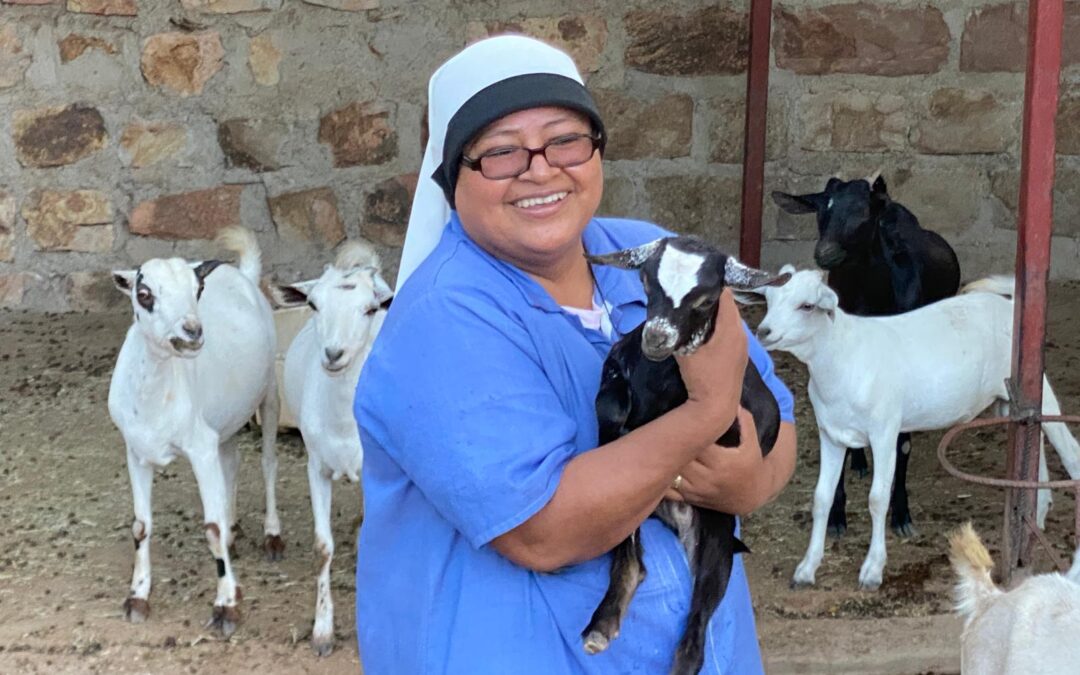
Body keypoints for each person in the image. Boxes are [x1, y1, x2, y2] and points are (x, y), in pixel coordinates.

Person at [354, 35, 797, 674]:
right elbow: (543, 530)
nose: (540, 169)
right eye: (501, 152)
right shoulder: (442, 320)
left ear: (596, 150)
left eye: (565, 139)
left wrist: (751, 481)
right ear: (453, 177)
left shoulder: (653, 258)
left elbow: (775, 421)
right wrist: (704, 414)